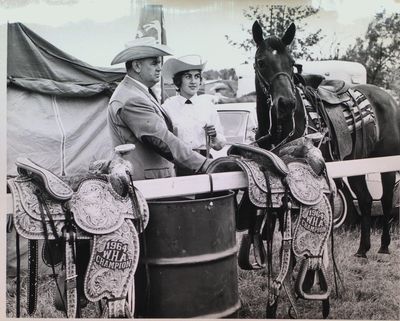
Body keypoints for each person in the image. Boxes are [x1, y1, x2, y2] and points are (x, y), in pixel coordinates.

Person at [107, 38, 211, 180]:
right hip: (146, 184)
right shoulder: (132, 99)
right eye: (155, 62)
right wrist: (204, 164)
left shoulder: (137, 92)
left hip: (152, 180)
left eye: (160, 63)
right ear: (137, 66)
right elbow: (160, 139)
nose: (159, 68)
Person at [161, 55, 226, 175]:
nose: (193, 81)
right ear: (179, 80)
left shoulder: (208, 105)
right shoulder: (167, 107)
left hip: (205, 164)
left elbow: (220, 145)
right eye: (188, 77)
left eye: (197, 76)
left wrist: (214, 136)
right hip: (179, 166)